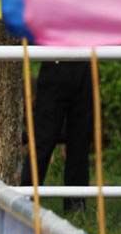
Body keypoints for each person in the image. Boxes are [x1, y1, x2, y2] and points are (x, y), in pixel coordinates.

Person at [20, 60, 93, 214]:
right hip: (55, 61)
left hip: (85, 64)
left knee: (80, 142)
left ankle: (76, 205)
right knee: (42, 141)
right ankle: (25, 202)